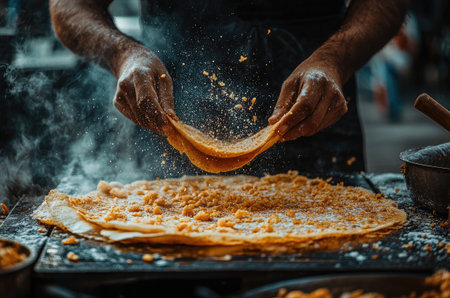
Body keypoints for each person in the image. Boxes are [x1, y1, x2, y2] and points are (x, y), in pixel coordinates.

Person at [48, 0, 408, 176]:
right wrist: (123, 55)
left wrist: (336, 60)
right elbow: (70, 5)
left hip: (316, 117)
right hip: (169, 128)